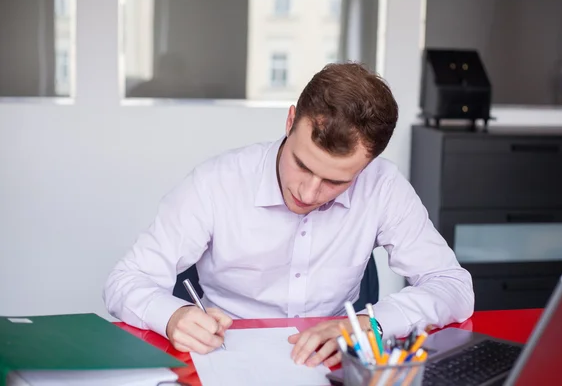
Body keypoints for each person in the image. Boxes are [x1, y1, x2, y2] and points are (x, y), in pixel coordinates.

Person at [103, 62, 474, 368]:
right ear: (291, 120)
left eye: (335, 181)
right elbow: (125, 280)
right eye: (302, 164)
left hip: (329, 364)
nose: (308, 193)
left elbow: (453, 286)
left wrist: (369, 324)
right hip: (223, 359)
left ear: (368, 164)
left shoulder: (383, 186)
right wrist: (173, 316)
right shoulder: (216, 182)